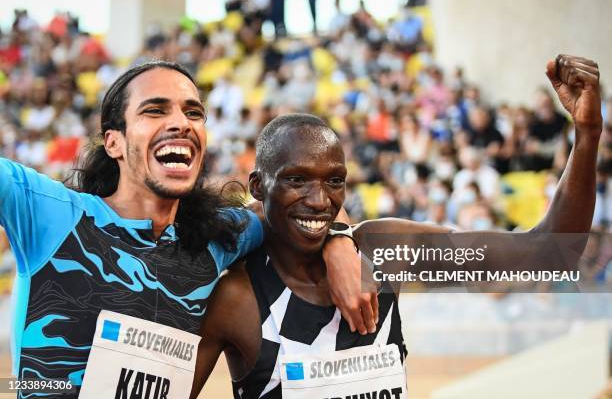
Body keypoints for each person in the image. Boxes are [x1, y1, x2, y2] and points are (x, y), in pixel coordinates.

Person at [190, 54, 602, 398]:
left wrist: (586, 134)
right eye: (297, 179)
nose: (320, 200)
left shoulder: (386, 252)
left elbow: (548, 252)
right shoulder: (236, 299)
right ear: (259, 186)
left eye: (334, 180)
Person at [0, 61, 373, 396]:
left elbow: (299, 207)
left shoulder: (216, 237)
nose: (181, 122)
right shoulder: (48, 212)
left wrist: (339, 241)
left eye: (193, 112)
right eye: (155, 110)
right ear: (114, 141)